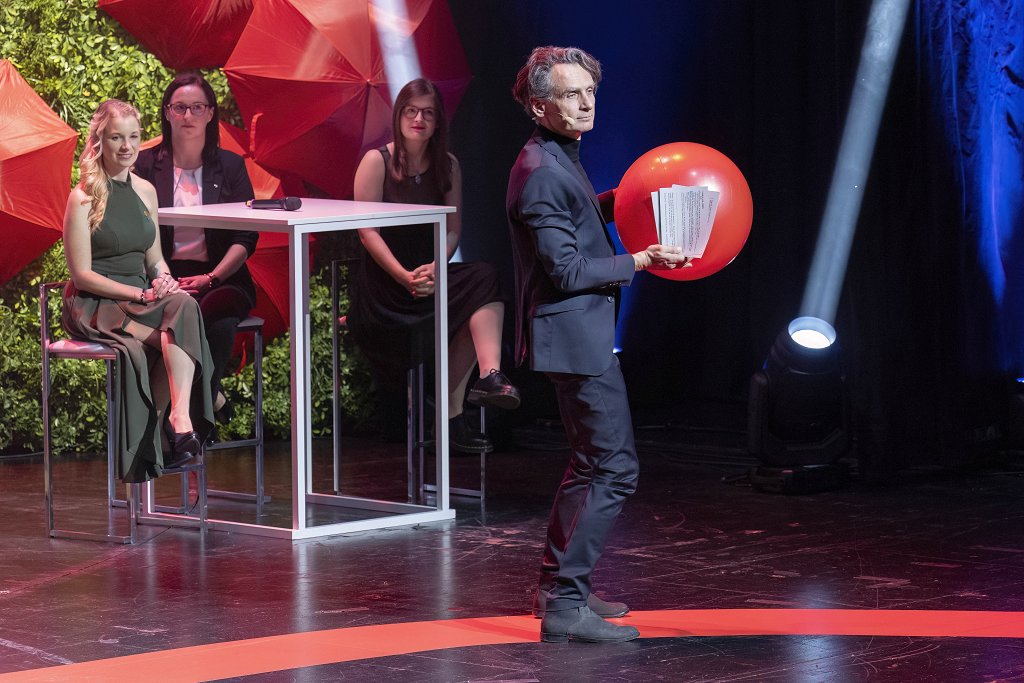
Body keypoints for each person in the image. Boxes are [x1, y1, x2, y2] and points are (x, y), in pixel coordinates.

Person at [507, 46, 690, 643]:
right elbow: (565, 270)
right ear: (540, 105)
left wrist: (621, 201)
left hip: (577, 336)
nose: (586, 103)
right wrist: (639, 259)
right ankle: (565, 606)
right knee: (614, 467)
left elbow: (576, 218)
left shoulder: (556, 156)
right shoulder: (541, 172)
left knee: (591, 463)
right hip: (573, 339)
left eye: (590, 91)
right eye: (571, 94)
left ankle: (557, 591)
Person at [348, 77, 520, 453]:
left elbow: (453, 229)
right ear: (399, 115)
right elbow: (367, 232)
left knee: (484, 281)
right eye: (411, 111)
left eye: (428, 113)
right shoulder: (376, 162)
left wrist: (435, 267)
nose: (419, 120)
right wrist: (404, 276)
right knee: (472, 296)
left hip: (429, 273)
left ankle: (488, 378)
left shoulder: (448, 165)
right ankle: (451, 416)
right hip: (385, 285)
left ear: (438, 120)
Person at [62, 99, 214, 482]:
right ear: (100, 141)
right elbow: (81, 275)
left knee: (184, 305)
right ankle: (165, 428)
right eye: (117, 138)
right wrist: (140, 295)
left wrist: (164, 279)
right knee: (174, 339)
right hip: (97, 303)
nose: (127, 146)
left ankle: (178, 418)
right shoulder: (82, 198)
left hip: (140, 297)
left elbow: (155, 258)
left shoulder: (146, 191)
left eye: (134, 137)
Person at [134, 72, 257, 427]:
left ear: (210, 113)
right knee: (171, 322)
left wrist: (211, 277)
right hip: (163, 276)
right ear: (167, 112)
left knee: (215, 320)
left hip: (221, 277)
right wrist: (163, 278)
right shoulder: (144, 165)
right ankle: (208, 404)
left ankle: (194, 420)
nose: (188, 115)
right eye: (180, 108)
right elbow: (137, 232)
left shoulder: (231, 166)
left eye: (197, 107)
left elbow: (246, 237)